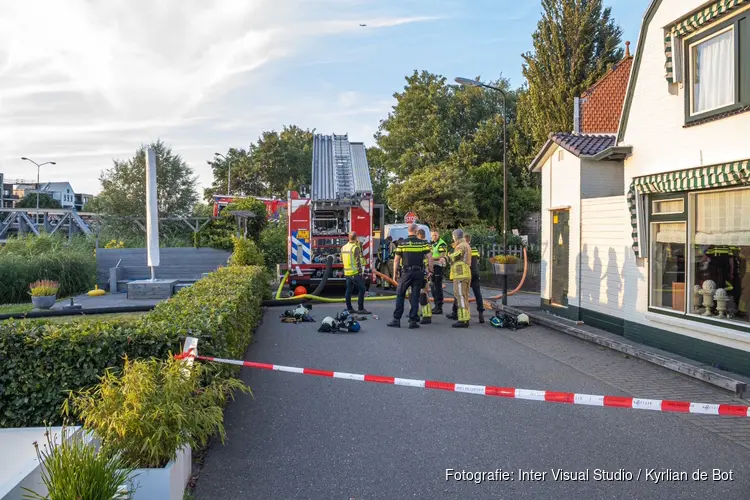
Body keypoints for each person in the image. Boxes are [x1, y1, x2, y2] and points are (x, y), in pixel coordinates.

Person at [387, 224, 433, 329]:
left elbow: (396, 260)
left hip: (406, 272)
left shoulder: (402, 243)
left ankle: (396, 320)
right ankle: (413, 321)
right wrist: (430, 270)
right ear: (416, 231)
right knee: (415, 296)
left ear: (408, 231)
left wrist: (394, 274)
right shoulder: (423, 243)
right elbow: (430, 258)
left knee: (400, 294)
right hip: (419, 273)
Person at [341, 232, 370, 315]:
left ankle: (349, 308)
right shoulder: (355, 247)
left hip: (347, 273)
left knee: (348, 290)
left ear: (348, 238)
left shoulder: (343, 247)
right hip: (355, 273)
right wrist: (360, 272)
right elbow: (357, 261)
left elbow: (341, 259)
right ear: (356, 238)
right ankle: (360, 308)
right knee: (363, 289)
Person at [448, 228, 472, 328]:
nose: (452, 238)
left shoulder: (461, 246)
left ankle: (463, 320)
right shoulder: (466, 244)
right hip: (465, 274)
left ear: (455, 236)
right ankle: (464, 317)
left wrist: (447, 258)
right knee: (464, 296)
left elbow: (457, 255)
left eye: (453, 236)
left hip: (460, 274)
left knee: (461, 296)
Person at [430, 231, 448, 315]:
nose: (433, 236)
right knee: (433, 287)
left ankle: (439, 307)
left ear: (438, 235)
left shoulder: (442, 244)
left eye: (435, 235)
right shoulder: (432, 243)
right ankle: (436, 305)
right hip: (432, 267)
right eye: (432, 235)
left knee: (437, 287)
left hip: (439, 267)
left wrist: (430, 258)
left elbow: (441, 256)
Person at [417, 229, 432, 325]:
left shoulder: (421, 245)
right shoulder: (428, 244)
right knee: (424, 292)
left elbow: (428, 258)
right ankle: (425, 313)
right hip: (425, 271)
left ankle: (425, 314)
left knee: (422, 293)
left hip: (422, 271)